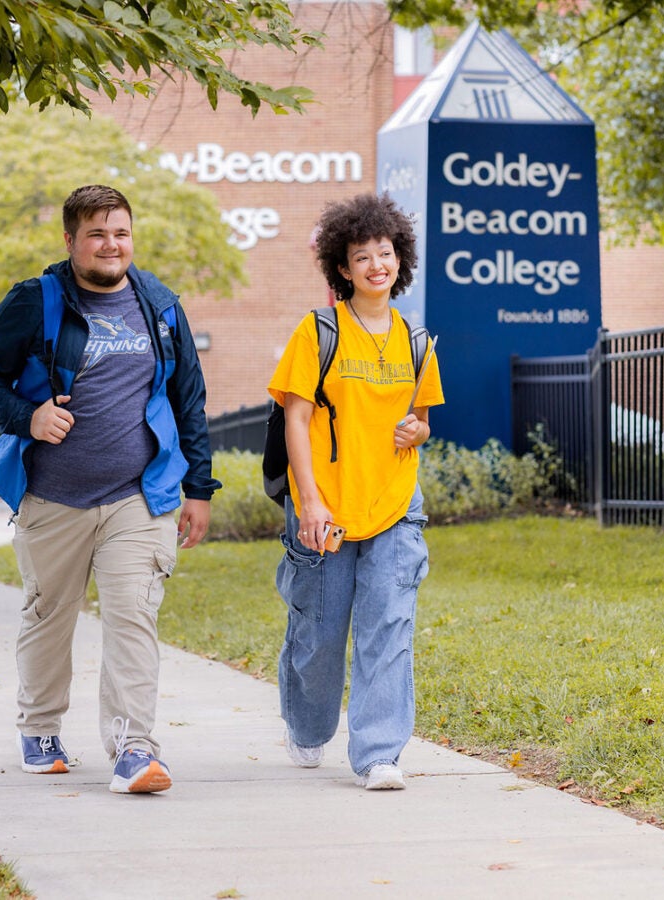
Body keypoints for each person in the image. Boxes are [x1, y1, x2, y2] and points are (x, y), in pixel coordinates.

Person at [0, 184, 220, 794]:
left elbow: (188, 398)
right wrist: (27, 417)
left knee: (133, 616)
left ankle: (134, 748)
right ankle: (41, 727)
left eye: (121, 232)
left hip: (138, 495)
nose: (112, 245)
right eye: (98, 234)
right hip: (54, 497)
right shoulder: (36, 300)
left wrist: (199, 487)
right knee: (50, 615)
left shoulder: (158, 304)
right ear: (72, 241)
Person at [266, 193, 444, 790]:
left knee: (388, 625)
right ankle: (308, 726)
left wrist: (416, 428)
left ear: (401, 261)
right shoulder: (318, 332)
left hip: (394, 503)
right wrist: (310, 501)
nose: (376, 265)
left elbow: (421, 421)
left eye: (385, 253)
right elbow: (295, 418)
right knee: (319, 632)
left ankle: (379, 754)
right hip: (328, 504)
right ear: (343, 268)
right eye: (362, 256)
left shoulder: (416, 342)